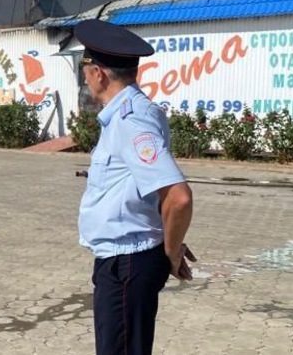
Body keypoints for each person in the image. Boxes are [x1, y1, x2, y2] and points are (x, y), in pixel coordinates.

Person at [74, 19, 195, 355]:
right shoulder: (129, 113)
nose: (84, 76)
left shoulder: (132, 120)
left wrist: (171, 250)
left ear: (98, 72)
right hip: (122, 260)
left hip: (128, 264)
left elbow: (178, 197)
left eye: (84, 67)